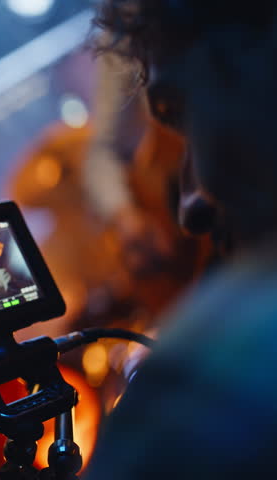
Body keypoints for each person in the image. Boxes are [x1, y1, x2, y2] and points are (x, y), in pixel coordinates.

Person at [86, 1, 277, 478]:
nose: (191, 208)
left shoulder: (200, 386)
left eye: (177, 109)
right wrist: (127, 218)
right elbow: (103, 154)